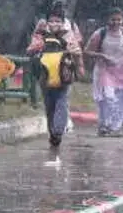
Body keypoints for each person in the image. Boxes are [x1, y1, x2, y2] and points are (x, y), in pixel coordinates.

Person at [27, 8, 84, 147]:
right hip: (45, 76)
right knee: (49, 105)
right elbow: (30, 50)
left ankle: (58, 131)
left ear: (63, 22)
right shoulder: (40, 35)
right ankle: (52, 133)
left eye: (57, 21)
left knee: (62, 102)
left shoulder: (69, 36)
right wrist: (40, 45)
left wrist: (79, 66)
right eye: (51, 21)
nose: (54, 24)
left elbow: (77, 53)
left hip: (64, 75)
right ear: (46, 22)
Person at [84, 7, 123, 137]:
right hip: (104, 70)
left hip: (122, 70)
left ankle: (115, 126)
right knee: (107, 97)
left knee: (119, 99)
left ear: (122, 20)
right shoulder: (100, 33)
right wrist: (102, 56)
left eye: (119, 19)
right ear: (108, 20)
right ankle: (104, 124)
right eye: (113, 19)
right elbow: (87, 51)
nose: (116, 22)